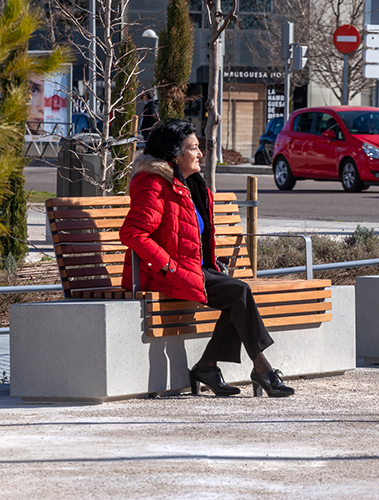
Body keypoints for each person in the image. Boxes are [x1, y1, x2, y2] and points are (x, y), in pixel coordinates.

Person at [119, 119, 295, 398]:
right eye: (194, 148)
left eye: (199, 147)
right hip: (161, 275)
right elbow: (133, 233)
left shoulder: (192, 186)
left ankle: (208, 366)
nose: (200, 154)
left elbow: (190, 237)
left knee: (236, 295)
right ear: (174, 154)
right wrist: (168, 265)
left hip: (192, 268)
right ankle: (260, 368)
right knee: (238, 292)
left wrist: (212, 260)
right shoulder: (154, 184)